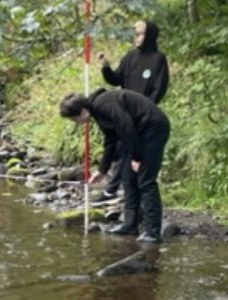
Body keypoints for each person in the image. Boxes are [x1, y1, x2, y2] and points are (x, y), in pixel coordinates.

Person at [59, 88, 170, 243]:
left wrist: (137, 157)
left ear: (82, 111)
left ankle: (153, 232)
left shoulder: (105, 104)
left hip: (152, 128)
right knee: (128, 177)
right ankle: (130, 225)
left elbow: (126, 127)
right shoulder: (97, 111)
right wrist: (102, 170)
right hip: (137, 133)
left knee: (146, 180)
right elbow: (110, 140)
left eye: (74, 119)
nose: (76, 123)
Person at [93, 19, 169, 203]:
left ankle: (124, 194)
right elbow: (116, 79)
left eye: (139, 33)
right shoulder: (130, 57)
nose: (135, 37)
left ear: (149, 35)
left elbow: (159, 89)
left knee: (136, 156)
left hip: (144, 118)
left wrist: (146, 110)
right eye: (134, 33)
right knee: (122, 151)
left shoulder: (158, 59)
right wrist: (105, 67)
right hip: (124, 114)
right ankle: (117, 193)